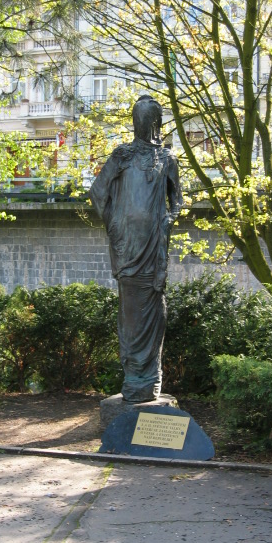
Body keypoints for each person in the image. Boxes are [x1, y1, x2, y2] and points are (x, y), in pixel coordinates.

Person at [89, 95, 183, 402]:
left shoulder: (167, 159)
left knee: (157, 313)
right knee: (130, 318)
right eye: (137, 119)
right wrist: (116, 226)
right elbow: (98, 193)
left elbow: (177, 201)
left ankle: (150, 379)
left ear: (155, 123)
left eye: (146, 119)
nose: (141, 124)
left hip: (154, 251)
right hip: (128, 251)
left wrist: (167, 221)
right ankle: (133, 379)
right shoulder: (122, 156)